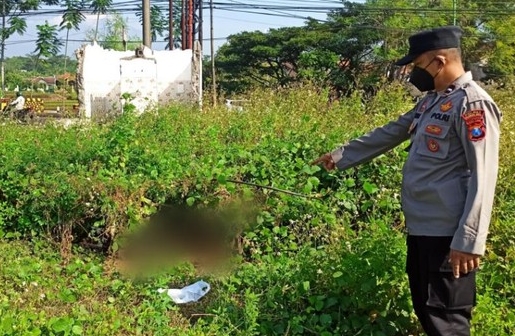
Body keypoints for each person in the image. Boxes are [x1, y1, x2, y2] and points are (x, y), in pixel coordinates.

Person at [312, 26, 502, 336]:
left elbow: (485, 175)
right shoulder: (434, 101)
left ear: (440, 62)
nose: (413, 72)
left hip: (449, 236)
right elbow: (391, 131)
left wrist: (469, 241)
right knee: (428, 311)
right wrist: (339, 156)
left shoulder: (472, 105)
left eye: (417, 65)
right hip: (423, 229)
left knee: (448, 322)